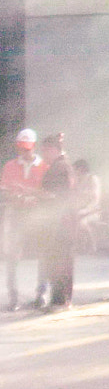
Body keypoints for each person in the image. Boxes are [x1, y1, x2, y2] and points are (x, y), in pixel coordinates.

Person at [1, 129, 42, 310]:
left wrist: (33, 197)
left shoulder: (44, 167)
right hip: (17, 215)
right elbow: (3, 189)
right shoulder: (10, 166)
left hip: (37, 216)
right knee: (12, 257)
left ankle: (41, 293)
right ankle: (13, 296)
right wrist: (13, 195)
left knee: (42, 255)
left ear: (34, 147)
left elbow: (47, 192)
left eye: (27, 149)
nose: (24, 153)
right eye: (21, 149)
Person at [35, 132, 76, 310]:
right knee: (60, 261)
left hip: (61, 222)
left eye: (44, 151)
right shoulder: (62, 166)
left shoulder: (60, 167)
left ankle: (61, 300)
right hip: (62, 221)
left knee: (60, 261)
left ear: (53, 150)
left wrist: (38, 195)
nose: (43, 155)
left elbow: (59, 196)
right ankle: (60, 299)